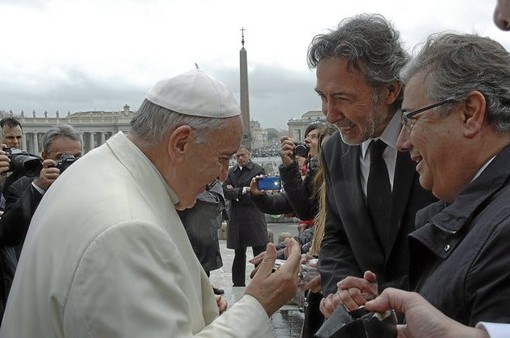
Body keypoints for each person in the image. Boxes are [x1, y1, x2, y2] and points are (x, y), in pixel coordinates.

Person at [0, 69, 302, 337]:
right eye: (221, 158)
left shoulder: (95, 171)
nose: (222, 175)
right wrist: (257, 306)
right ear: (180, 143)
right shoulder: (124, 232)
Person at [307, 14, 437, 317]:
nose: (329, 115)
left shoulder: (434, 143)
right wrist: (341, 287)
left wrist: (387, 296)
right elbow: (336, 235)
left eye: (341, 98)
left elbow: (456, 243)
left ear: (390, 91)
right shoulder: (334, 150)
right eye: (323, 98)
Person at [0, 124, 82, 259]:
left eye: (76, 157)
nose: (70, 163)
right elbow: (9, 235)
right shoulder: (22, 187)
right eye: (62, 157)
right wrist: (38, 188)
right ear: (45, 156)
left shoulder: (92, 183)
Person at [223, 146, 268, 287]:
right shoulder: (231, 172)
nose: (240, 159)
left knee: (259, 252)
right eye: (237, 156)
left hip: (254, 216)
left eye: (243, 155)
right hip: (237, 218)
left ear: (249, 155)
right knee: (239, 253)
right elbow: (225, 192)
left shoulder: (258, 170)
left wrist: (235, 193)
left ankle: (261, 283)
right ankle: (238, 284)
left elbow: (260, 191)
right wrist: (245, 190)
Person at [178, 179, 228, 295]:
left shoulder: (210, 179)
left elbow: (216, 202)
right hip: (186, 227)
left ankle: (206, 286)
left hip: (205, 228)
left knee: (204, 265)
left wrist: (192, 190)